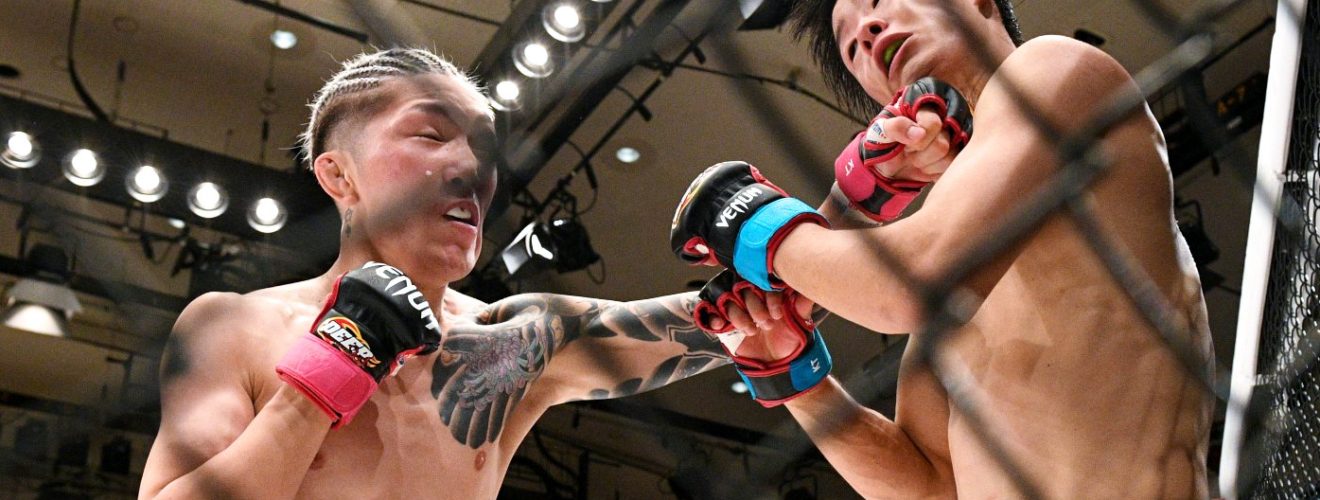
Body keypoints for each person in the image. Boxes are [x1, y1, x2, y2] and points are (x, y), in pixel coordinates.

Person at [138, 48, 760, 499]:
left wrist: (774, 243)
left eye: (484, 148)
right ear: (339, 175)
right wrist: (326, 372)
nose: (471, 168)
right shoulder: (233, 327)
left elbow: (737, 317)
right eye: (431, 135)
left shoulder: (515, 342)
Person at [668, 0, 1215, 497]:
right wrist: (796, 381)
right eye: (851, 46)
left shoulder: (1056, 69)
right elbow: (932, 485)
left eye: (880, 0)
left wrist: (756, 225)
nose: (867, 29)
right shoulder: (951, 263)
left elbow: (910, 286)